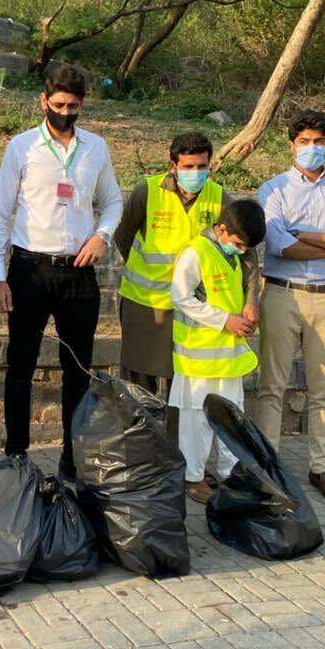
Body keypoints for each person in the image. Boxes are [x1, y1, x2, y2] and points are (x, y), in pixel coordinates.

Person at [0, 66, 123, 478]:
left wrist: (101, 237)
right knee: (20, 366)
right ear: (44, 101)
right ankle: (16, 454)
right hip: (29, 270)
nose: (66, 112)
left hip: (78, 273)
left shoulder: (96, 148)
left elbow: (113, 200)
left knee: (78, 370)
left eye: (74, 106)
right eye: (59, 105)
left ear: (83, 105)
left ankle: (71, 458)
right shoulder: (22, 147)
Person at [252, 110, 325, 503]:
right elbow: (277, 244)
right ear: (291, 144)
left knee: (323, 389)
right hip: (283, 294)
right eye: (304, 141)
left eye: (319, 141)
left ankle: (322, 468)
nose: (312, 148)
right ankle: (271, 467)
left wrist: (305, 234)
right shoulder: (274, 188)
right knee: (272, 387)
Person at [114, 131, 259, 439]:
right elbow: (123, 237)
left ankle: (181, 461)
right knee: (140, 387)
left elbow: (246, 248)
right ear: (173, 165)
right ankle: (142, 459)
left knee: (185, 389)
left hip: (194, 313)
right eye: (189, 166)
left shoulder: (218, 197)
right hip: (146, 305)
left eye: (202, 167)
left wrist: (251, 301)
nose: (196, 173)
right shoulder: (147, 191)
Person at [169, 199, 266, 504]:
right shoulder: (195, 253)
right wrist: (226, 321)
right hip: (198, 358)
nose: (240, 250)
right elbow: (181, 298)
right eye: (237, 243)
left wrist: (249, 307)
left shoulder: (235, 254)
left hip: (227, 357)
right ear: (222, 230)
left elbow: (248, 275)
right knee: (195, 424)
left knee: (231, 418)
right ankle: (193, 478)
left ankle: (229, 473)